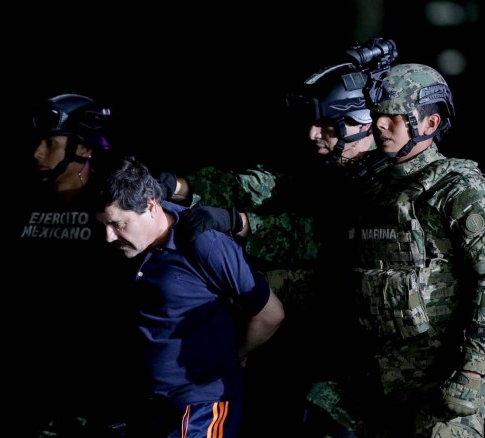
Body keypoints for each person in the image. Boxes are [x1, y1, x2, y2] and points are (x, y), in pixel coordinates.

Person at [160, 60, 380, 437]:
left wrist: (241, 223)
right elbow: (259, 186)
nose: (313, 134)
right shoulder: (331, 164)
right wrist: (178, 187)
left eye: (327, 124)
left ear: (362, 123)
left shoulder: (386, 181)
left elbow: (323, 238)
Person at [344, 63, 485, 437]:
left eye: (393, 116)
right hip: (377, 377)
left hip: (441, 377)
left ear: (429, 123)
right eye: (377, 115)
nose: (379, 125)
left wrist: (472, 372)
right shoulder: (375, 187)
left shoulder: (459, 190)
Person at [94, 155, 285, 437]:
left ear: (150, 206)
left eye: (118, 224)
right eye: (103, 225)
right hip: (153, 405)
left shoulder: (202, 242)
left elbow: (270, 314)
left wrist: (233, 356)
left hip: (202, 406)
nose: (109, 236)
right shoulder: (131, 244)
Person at [11, 93, 133, 437]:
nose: (37, 152)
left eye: (50, 142)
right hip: (36, 377)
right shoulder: (24, 201)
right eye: (38, 142)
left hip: (97, 383)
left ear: (83, 149)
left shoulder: (112, 209)